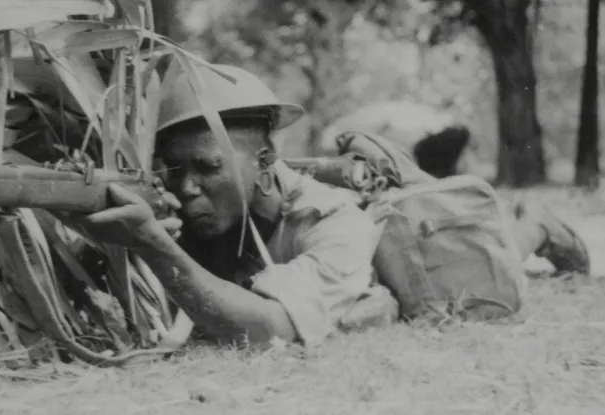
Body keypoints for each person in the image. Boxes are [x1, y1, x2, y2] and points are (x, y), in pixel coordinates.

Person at [67, 64, 590, 348]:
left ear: (266, 161)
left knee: (482, 267)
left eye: (207, 169)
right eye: (172, 171)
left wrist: (156, 246)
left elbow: (265, 329)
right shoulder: (204, 207)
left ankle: (536, 227)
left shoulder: (334, 223)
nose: (186, 189)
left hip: (399, 241)